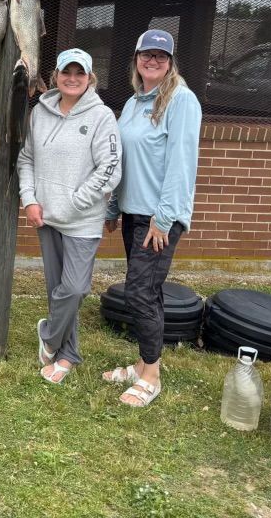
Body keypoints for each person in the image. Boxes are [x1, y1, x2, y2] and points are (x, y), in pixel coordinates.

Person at [103, 29, 202, 407]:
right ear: (136, 58)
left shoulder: (181, 100)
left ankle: (152, 376)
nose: (153, 61)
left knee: (140, 293)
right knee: (149, 291)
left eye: (161, 56)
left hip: (158, 219)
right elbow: (124, 162)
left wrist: (164, 218)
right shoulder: (132, 103)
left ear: (171, 61)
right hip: (133, 214)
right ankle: (143, 363)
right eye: (147, 54)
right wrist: (113, 208)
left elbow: (182, 163)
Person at [17, 48, 122, 384]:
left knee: (74, 289)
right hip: (46, 217)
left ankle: (49, 334)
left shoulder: (101, 116)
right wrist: (29, 199)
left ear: (90, 78)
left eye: (80, 73)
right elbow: (26, 159)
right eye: (67, 72)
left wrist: (76, 202)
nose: (72, 78)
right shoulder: (40, 112)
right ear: (56, 75)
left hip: (82, 219)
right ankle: (67, 355)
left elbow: (111, 168)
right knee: (56, 289)